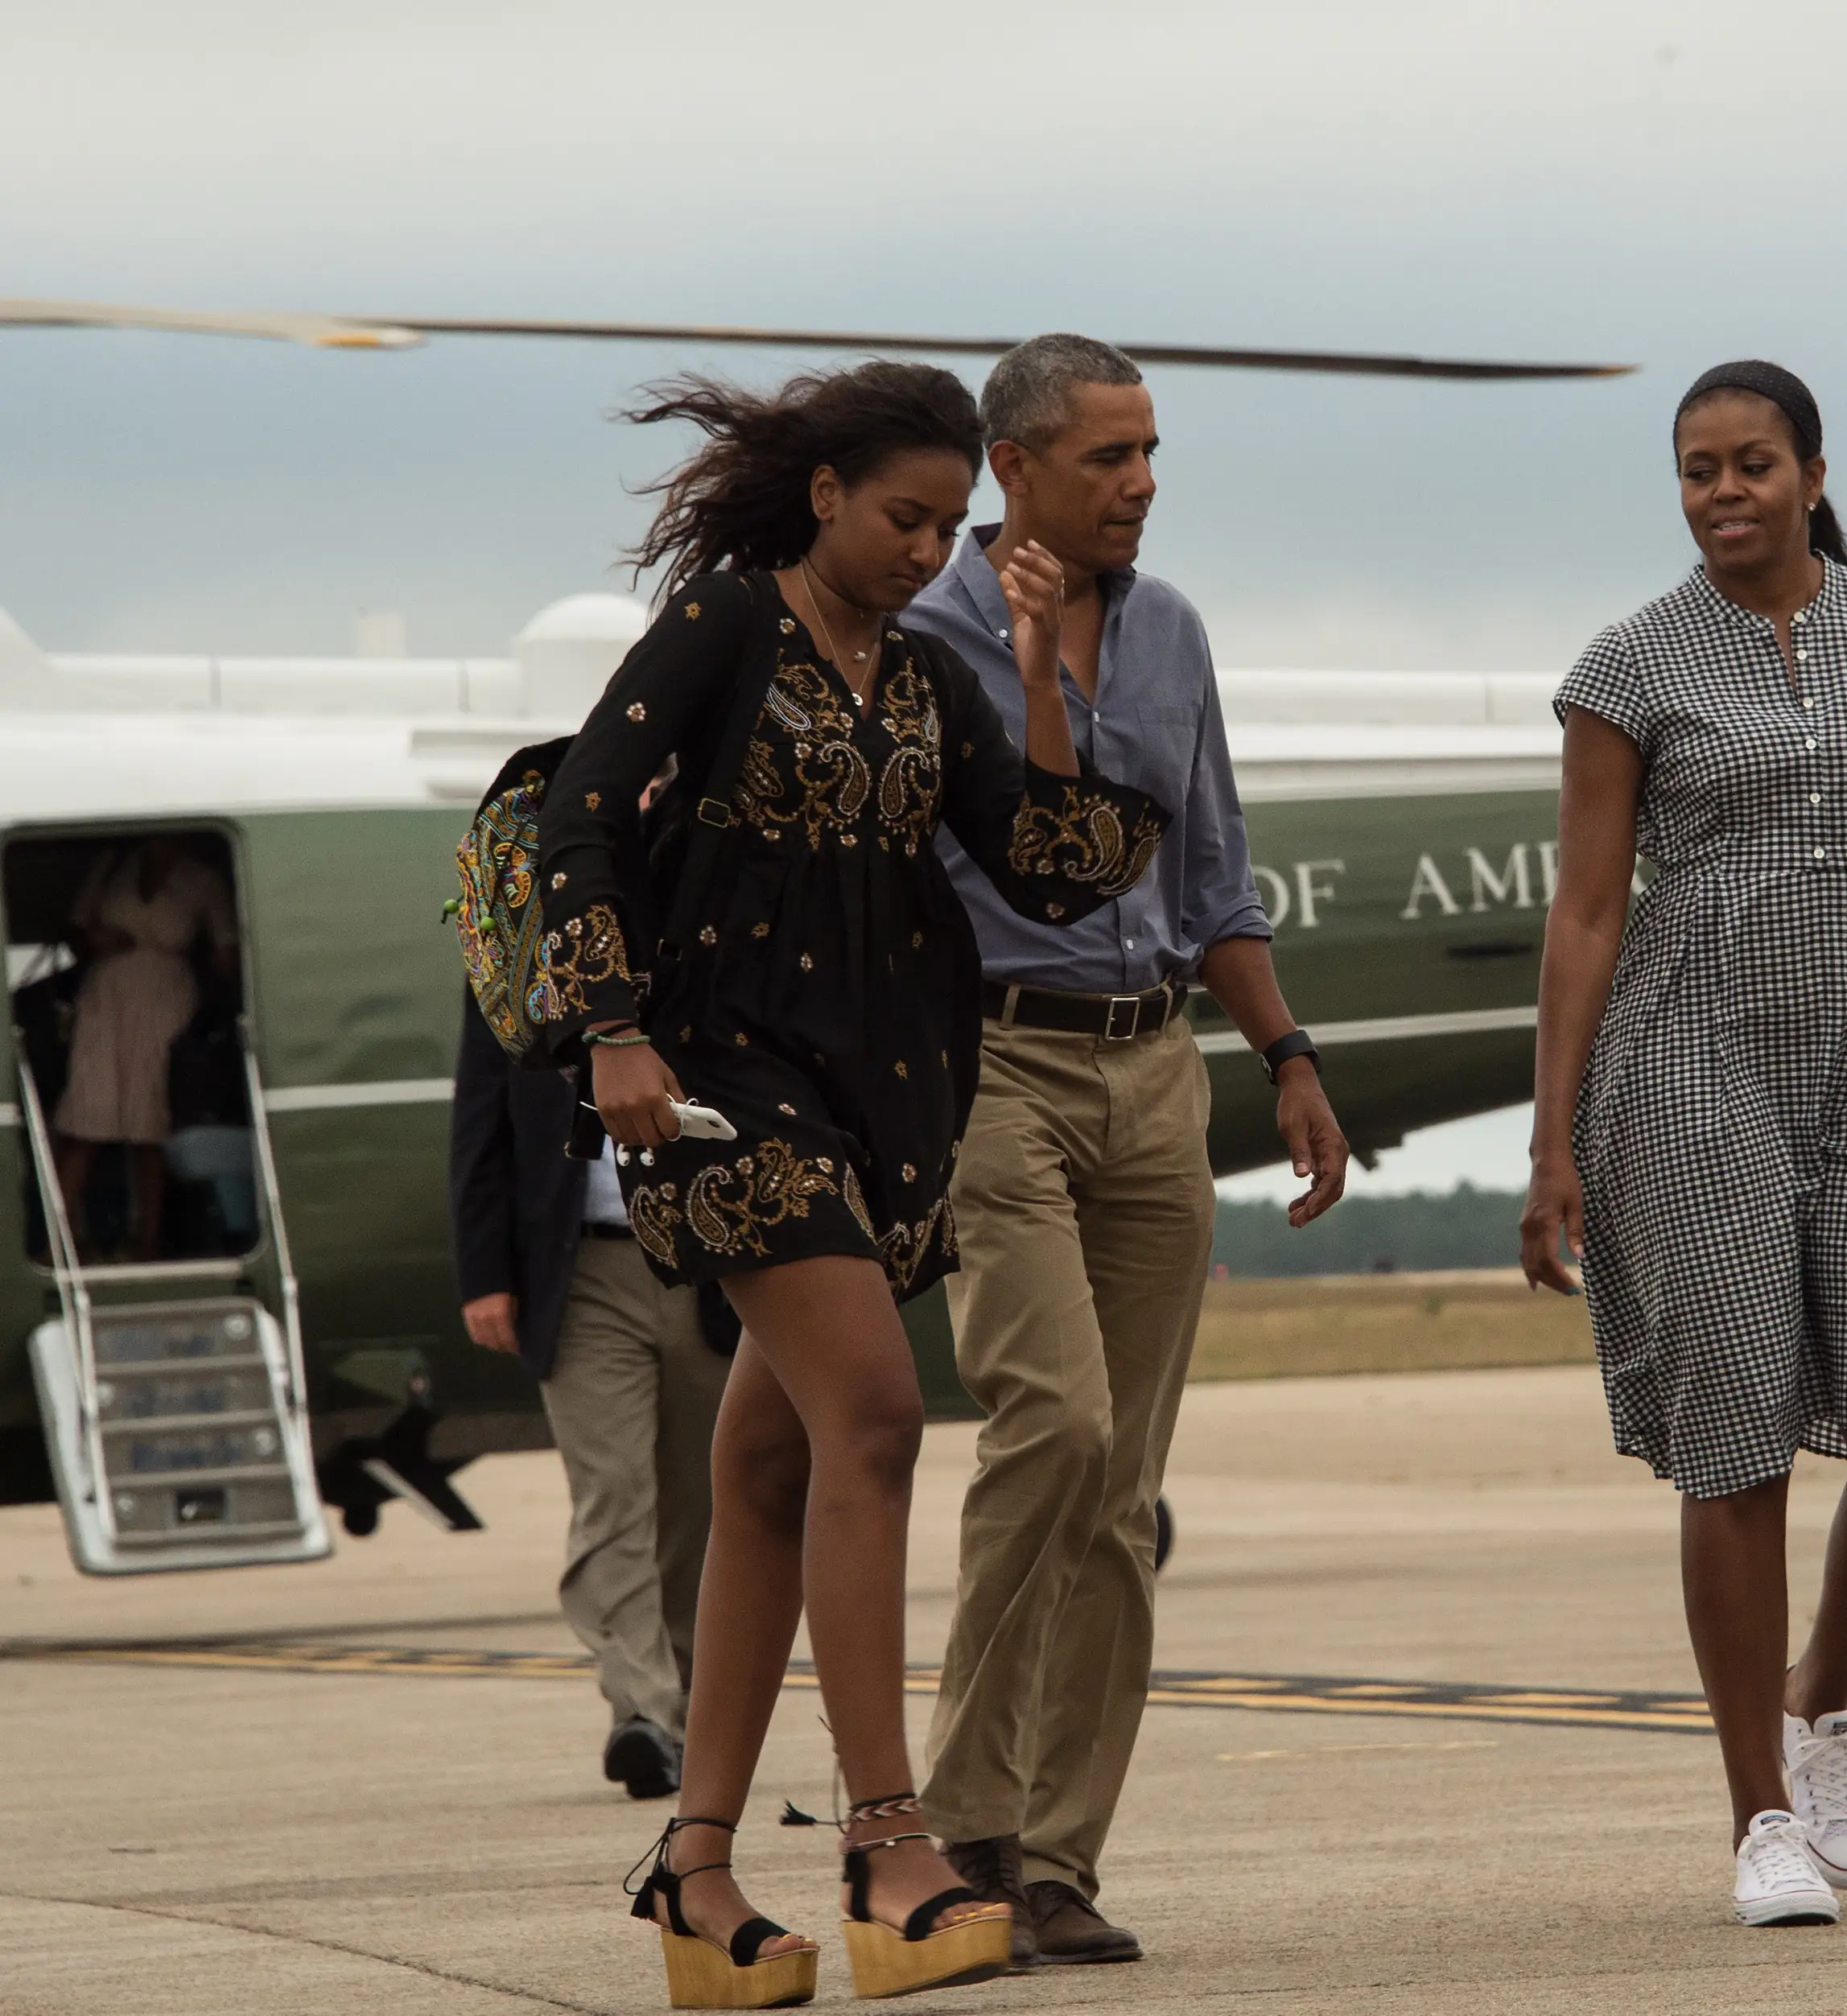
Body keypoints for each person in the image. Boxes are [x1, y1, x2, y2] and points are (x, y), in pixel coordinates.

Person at [534, 359, 1166, 2007]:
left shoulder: (924, 674)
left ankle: (697, 1871)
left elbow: (1052, 859)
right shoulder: (730, 626)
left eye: (949, 524)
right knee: (875, 1417)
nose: (925, 547)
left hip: (881, 1102)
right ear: (825, 497)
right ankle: (892, 1837)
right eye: (905, 516)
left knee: (764, 1473)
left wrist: (1032, 672)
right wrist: (612, 1030)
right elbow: (581, 820)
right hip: (724, 1095)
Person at [1521, 360, 1847, 1928]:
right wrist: (1554, 1140)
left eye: (1752, 463)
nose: (1724, 491)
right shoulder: (1629, 667)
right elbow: (1588, 908)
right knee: (1733, 1438)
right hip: (1691, 1068)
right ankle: (1758, 1808)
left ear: (1815, 473)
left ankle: (1819, 1696)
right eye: (1697, 470)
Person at [909, 332, 1347, 1970]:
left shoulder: (1171, 634)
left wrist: (1288, 1058)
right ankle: (962, 1816)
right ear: (1012, 469)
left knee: (1123, 1493)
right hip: (988, 1060)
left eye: (1152, 452)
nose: (1143, 484)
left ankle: (1054, 1859)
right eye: (1109, 457)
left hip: (1152, 1062)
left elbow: (1214, 873)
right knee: (1057, 1424)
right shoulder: (919, 630)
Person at [449, 975, 737, 1801]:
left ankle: (686, 1708)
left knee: (703, 1498)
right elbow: (479, 1119)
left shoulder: (701, 919)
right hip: (582, 1271)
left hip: (707, 1262)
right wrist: (485, 1276)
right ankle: (642, 1713)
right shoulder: (512, 949)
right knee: (613, 1492)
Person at [51, 834, 237, 1260]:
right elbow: (73, 933)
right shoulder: (112, 862)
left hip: (165, 999)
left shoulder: (202, 879)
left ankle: (146, 1241)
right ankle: (59, 1242)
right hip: (105, 997)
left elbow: (227, 947)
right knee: (84, 1121)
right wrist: (92, 941)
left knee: (149, 1126)